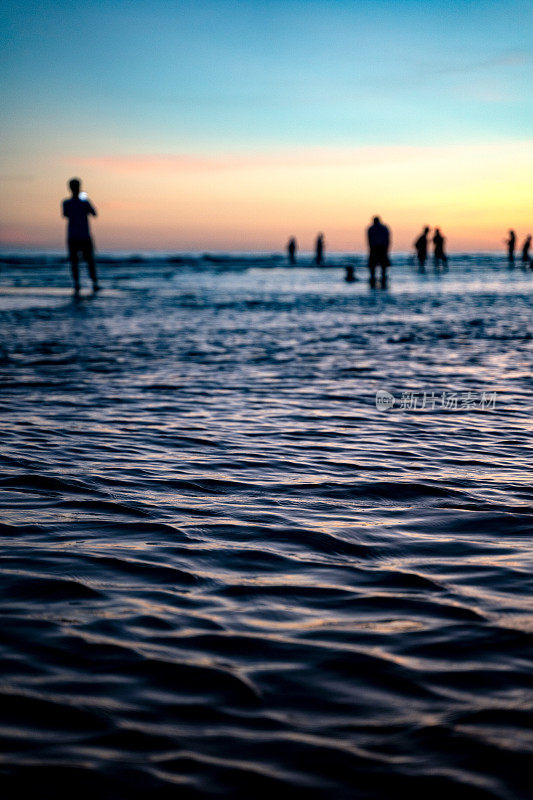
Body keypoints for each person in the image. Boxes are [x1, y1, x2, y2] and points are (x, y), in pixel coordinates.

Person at [62, 178, 99, 293]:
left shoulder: (68, 202)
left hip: (76, 236)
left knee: (78, 262)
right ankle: (91, 283)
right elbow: (94, 213)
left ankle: (81, 283)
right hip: (80, 236)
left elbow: (66, 214)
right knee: (85, 261)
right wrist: (85, 201)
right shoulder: (74, 202)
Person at [366, 216, 390, 287]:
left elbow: (369, 239)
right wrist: (387, 248)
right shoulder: (384, 228)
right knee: (383, 265)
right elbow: (387, 238)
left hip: (374, 248)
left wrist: (370, 248)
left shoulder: (371, 228)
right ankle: (383, 276)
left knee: (373, 265)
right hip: (382, 247)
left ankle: (373, 277)